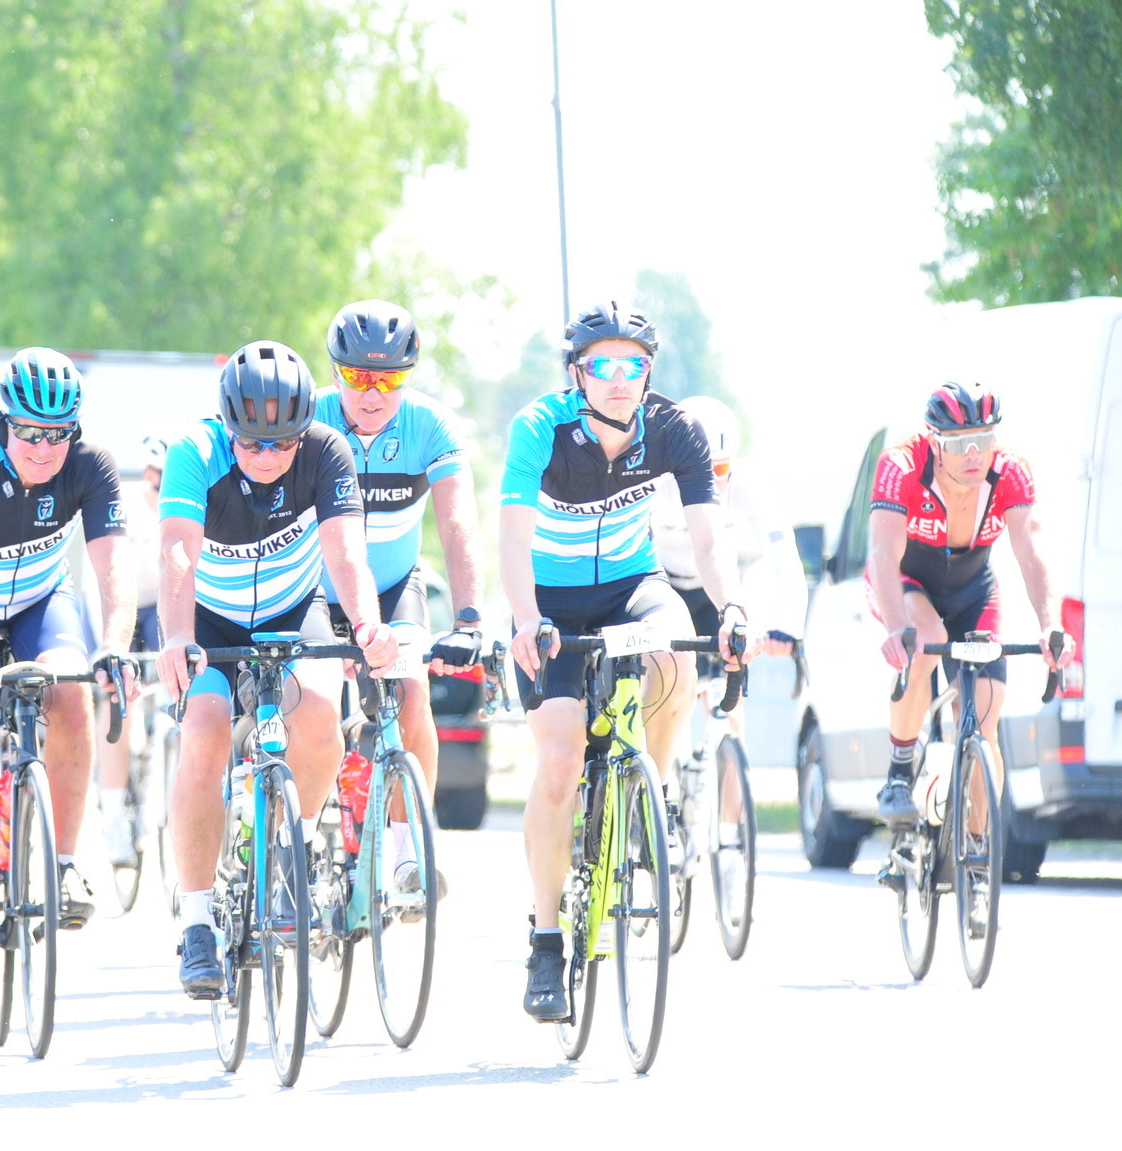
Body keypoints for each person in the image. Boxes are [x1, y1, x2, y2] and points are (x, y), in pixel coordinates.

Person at [499, 300, 748, 1023]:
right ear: (577, 373)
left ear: (649, 372)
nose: (619, 378)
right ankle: (547, 940)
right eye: (603, 364)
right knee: (559, 762)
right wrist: (525, 618)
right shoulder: (540, 429)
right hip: (550, 603)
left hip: (633, 588)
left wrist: (732, 608)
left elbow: (708, 538)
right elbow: (511, 539)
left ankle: (649, 795)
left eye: (633, 364)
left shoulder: (673, 429)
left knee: (677, 653)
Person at [155, 340, 398, 998]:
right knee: (204, 730)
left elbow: (345, 553)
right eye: (251, 443)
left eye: (282, 443)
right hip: (210, 621)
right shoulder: (194, 452)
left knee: (320, 714)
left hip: (294, 612)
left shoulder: (327, 450)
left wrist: (368, 624)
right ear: (226, 425)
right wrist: (176, 636)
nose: (266, 457)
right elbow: (177, 551)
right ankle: (197, 920)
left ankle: (294, 847)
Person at [0, 347, 136, 954]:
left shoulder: (90, 465)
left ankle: (63, 864)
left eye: (58, 433)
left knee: (71, 699)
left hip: (41, 604)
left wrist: (115, 645)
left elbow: (113, 565)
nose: (43, 447)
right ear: (4, 422)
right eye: (30, 432)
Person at [315, 299, 486, 883]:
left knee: (412, 696)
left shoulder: (430, 425)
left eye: (388, 379)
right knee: (306, 709)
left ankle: (411, 853)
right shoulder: (308, 419)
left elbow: (458, 524)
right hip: (313, 593)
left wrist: (468, 618)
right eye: (357, 376)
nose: (372, 393)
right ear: (334, 371)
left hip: (394, 588)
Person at [866, 383, 1071, 828]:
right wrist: (896, 628)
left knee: (984, 718)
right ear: (935, 442)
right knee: (926, 640)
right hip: (908, 580)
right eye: (960, 444)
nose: (974, 454)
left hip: (972, 588)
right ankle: (899, 772)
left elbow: (1032, 551)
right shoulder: (901, 464)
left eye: (984, 439)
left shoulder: (1010, 469)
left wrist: (1050, 625)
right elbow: (882, 553)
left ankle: (977, 846)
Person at [650, 393, 806, 707]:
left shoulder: (751, 484)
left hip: (718, 595)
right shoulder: (654, 482)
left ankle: (725, 733)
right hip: (662, 588)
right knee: (662, 685)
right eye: (694, 471)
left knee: (728, 690)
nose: (708, 483)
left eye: (718, 471)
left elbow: (784, 556)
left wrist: (789, 626)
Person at [94, 426, 174, 870]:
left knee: (178, 691)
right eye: (162, 478)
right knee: (116, 699)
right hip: (123, 602)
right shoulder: (125, 505)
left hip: (165, 607)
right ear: (149, 475)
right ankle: (111, 818)